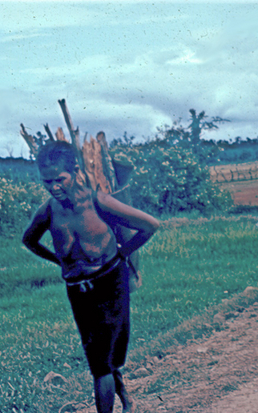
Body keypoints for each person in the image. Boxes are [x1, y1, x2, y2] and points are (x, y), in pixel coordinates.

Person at [22, 140, 159, 413]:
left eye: (59, 179)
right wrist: (58, 261)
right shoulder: (49, 210)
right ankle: (122, 394)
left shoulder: (97, 201)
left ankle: (116, 396)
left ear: (73, 170)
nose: (53, 187)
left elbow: (149, 225)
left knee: (102, 364)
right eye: (46, 182)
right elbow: (30, 241)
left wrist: (122, 254)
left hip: (110, 284)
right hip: (78, 292)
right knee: (100, 360)